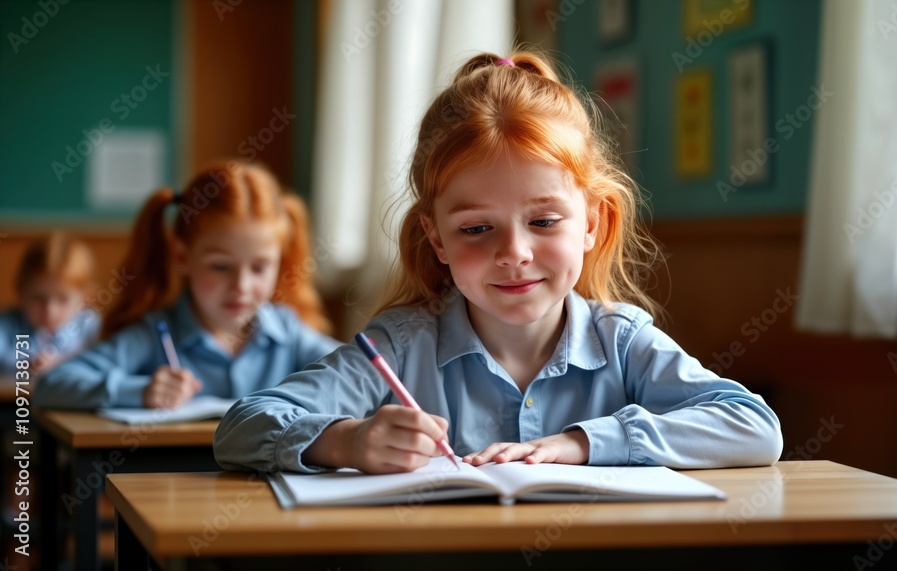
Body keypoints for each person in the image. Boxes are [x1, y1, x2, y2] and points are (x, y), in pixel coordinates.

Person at [214, 52, 782, 475]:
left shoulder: (623, 341)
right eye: (476, 229)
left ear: (593, 223)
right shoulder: (402, 344)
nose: (514, 253)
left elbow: (754, 428)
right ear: (436, 240)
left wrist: (582, 444)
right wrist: (346, 441)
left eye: (543, 221)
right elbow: (241, 426)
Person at [37, 161, 340, 409]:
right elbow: (53, 384)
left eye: (260, 268)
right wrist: (140, 391)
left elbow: (358, 372)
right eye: (221, 267)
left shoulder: (288, 333)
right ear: (182, 256)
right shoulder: (154, 333)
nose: (242, 286)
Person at [0, 232, 100, 376]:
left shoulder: (90, 326)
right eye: (38, 298)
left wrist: (61, 363)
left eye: (62, 299)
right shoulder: (7, 325)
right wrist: (25, 365)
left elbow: (99, 364)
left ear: (86, 298)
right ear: (21, 292)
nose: (49, 310)